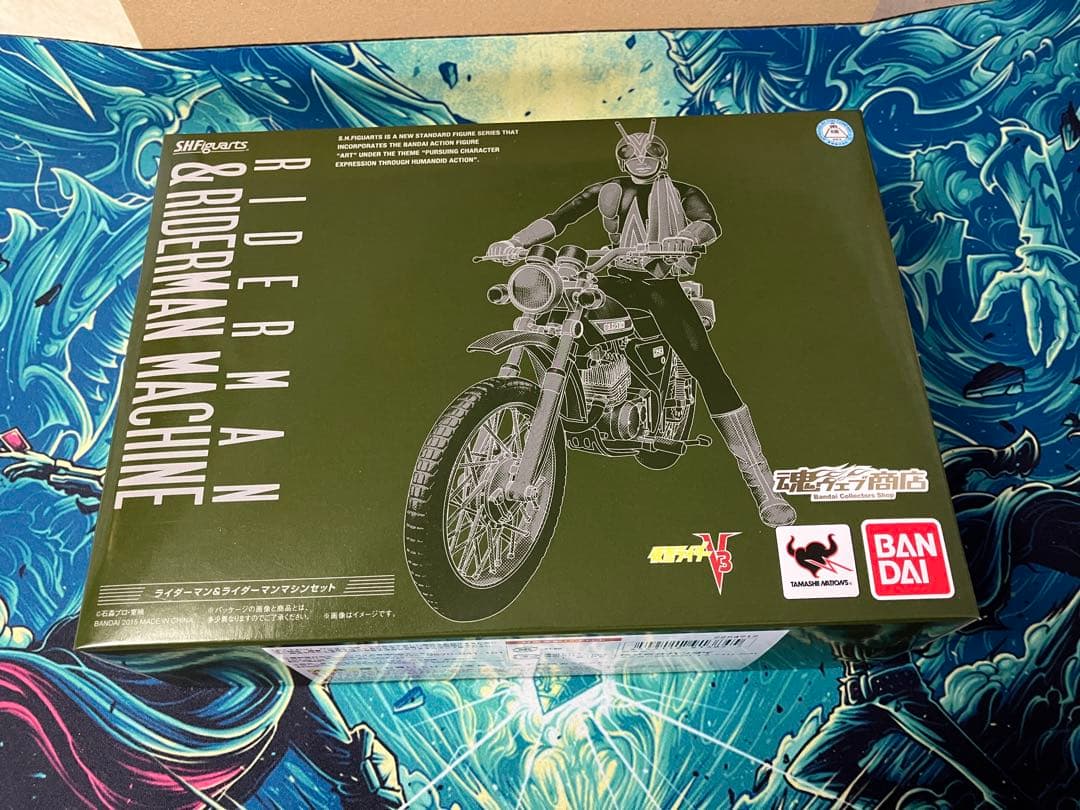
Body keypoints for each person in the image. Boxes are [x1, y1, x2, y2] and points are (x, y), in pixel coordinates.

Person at [486, 120, 796, 527]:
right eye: (630, 153)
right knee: (554, 311)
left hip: (658, 283)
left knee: (707, 369)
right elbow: (559, 217)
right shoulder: (608, 190)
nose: (641, 159)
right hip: (610, 277)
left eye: (650, 152)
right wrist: (515, 242)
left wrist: (687, 238)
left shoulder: (684, 192)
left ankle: (762, 485)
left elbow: (706, 222)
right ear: (621, 158)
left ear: (663, 156)